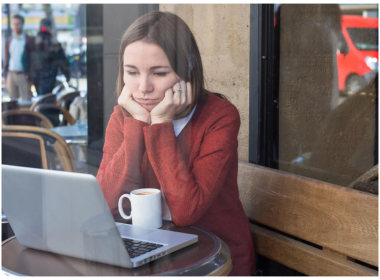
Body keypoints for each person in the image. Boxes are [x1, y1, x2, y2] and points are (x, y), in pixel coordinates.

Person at [96, 11, 255, 277]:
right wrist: (137, 124)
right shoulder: (124, 116)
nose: (143, 87)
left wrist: (160, 124)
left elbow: (185, 211)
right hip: (153, 259)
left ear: (186, 71)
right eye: (132, 72)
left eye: (158, 73)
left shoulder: (220, 117)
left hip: (213, 260)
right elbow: (105, 202)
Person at [23, 18, 70, 96]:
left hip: (35, 76)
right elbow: (63, 61)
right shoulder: (54, 42)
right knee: (47, 98)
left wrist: (27, 73)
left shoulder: (31, 42)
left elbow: (25, 59)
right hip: (49, 77)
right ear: (50, 28)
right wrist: (67, 76)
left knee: (41, 97)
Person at [3, 14, 33, 101]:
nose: (15, 26)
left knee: (26, 101)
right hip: (11, 74)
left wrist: (30, 74)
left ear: (22, 24)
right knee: (12, 102)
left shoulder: (28, 40)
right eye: (14, 24)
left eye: (18, 24)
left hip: (23, 75)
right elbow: (7, 58)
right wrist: (5, 75)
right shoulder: (10, 40)